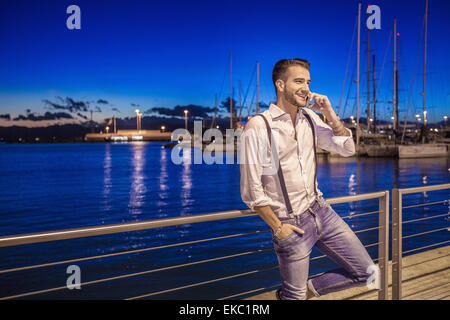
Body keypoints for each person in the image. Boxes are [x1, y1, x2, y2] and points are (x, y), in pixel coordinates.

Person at [239, 58, 375, 300]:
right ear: (280, 85)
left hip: (321, 210)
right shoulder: (258, 127)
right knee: (295, 297)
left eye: (308, 82)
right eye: (298, 81)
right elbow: (251, 190)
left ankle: (307, 291)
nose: (306, 88)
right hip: (290, 223)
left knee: (368, 273)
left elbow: (347, 148)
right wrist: (278, 227)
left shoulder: (310, 119)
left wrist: (330, 114)